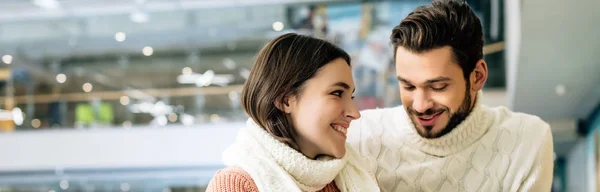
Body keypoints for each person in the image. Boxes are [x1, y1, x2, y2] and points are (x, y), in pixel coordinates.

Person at [346, 0, 554, 191]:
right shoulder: (362, 135)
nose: (420, 106)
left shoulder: (526, 141)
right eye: (408, 87)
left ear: (477, 77)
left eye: (437, 87)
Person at [206, 33, 380, 192]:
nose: (355, 113)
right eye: (337, 93)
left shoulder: (358, 173)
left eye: (352, 97)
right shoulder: (237, 185)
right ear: (285, 99)